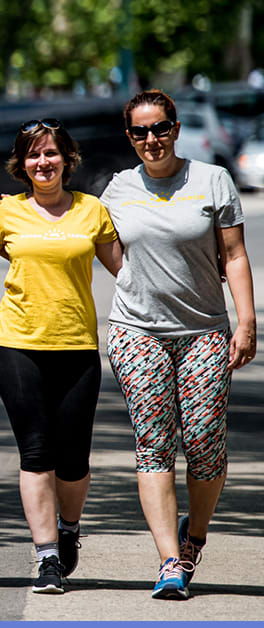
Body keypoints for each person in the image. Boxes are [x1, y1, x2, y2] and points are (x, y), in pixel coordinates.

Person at [101, 89, 255, 600]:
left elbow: (233, 254)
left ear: (176, 127)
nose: (152, 140)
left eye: (160, 128)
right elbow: (97, 242)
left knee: (206, 444)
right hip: (137, 332)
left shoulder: (212, 179)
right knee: (154, 444)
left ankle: (195, 535)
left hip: (204, 330)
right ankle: (170, 560)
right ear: (130, 137)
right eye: (140, 132)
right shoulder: (119, 188)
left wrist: (246, 320)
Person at [0, 120, 121, 594]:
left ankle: (69, 527)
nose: (43, 162)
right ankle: (47, 557)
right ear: (21, 164)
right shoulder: (6, 214)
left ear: (67, 159)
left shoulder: (92, 211)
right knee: (36, 452)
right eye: (33, 155)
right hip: (17, 346)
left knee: (73, 460)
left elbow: (128, 271)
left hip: (77, 348)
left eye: (51, 153)